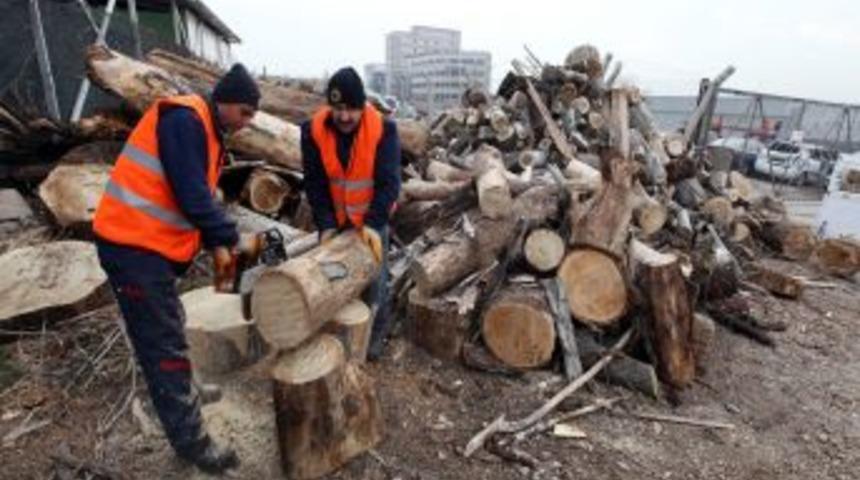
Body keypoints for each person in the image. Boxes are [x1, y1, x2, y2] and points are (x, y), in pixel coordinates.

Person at [92, 63, 261, 474]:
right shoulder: (186, 121)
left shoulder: (208, 129)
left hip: (146, 245)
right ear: (225, 102)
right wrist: (231, 238)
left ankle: (188, 391)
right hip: (131, 245)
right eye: (245, 113)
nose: (247, 123)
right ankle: (193, 442)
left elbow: (195, 197)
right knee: (163, 347)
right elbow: (191, 196)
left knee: (172, 320)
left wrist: (220, 242)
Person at [301, 66, 402, 360]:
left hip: (373, 219)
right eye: (338, 109)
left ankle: (372, 343)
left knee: (376, 283)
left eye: (351, 110)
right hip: (338, 220)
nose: (344, 117)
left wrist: (373, 224)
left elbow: (389, 184)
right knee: (334, 279)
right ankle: (336, 342)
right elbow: (315, 183)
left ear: (362, 106)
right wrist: (326, 225)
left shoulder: (384, 130)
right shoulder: (313, 131)